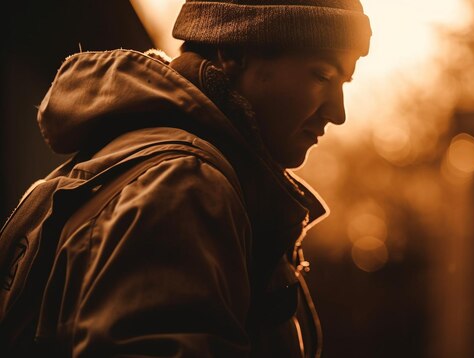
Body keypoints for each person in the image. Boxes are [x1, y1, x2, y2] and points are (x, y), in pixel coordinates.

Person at [7, 0, 370, 356]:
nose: (338, 113)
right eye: (322, 75)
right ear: (234, 53)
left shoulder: (158, 166)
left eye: (344, 83)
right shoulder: (183, 188)